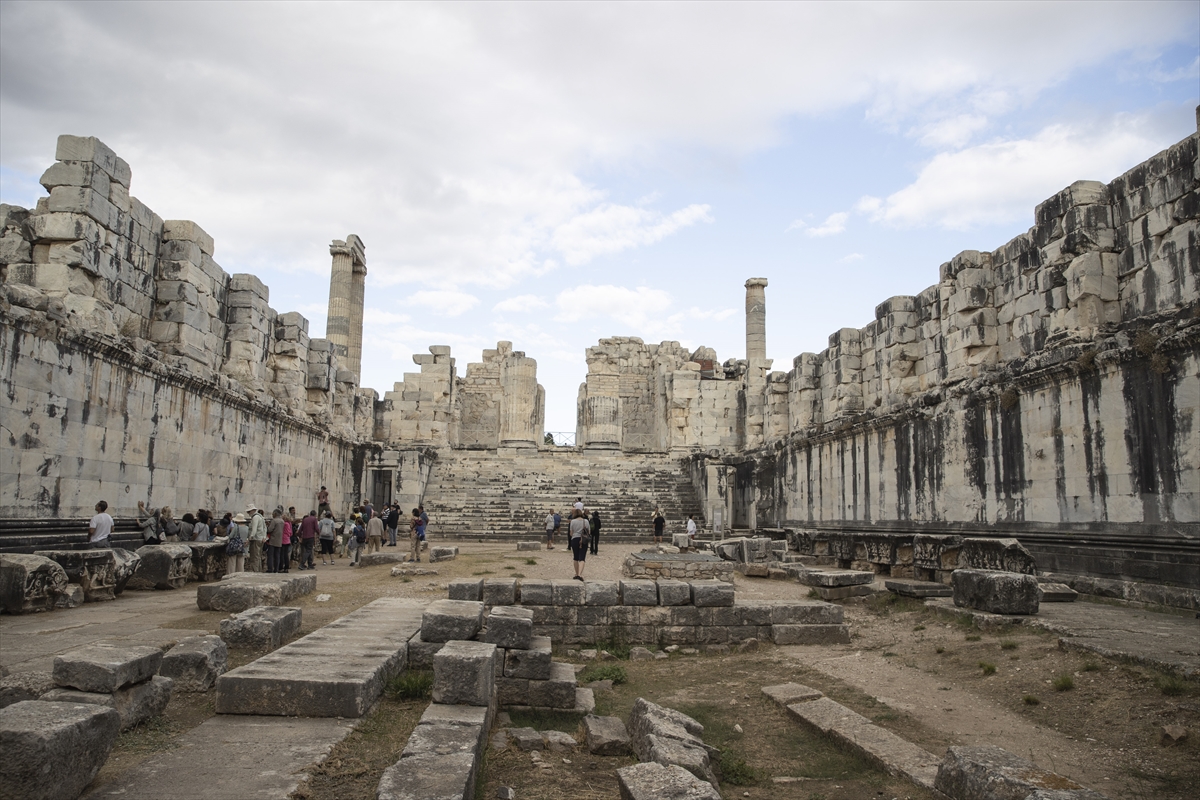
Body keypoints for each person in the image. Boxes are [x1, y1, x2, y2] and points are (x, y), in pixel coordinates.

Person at [568, 509, 589, 580]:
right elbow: (589, 532)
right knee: (582, 558)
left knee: (575, 557)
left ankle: (576, 573)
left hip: (575, 539)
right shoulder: (586, 521)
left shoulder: (572, 521)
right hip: (583, 539)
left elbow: (571, 533)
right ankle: (580, 574)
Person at [247, 506, 267, 572]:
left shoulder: (255, 517)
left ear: (252, 511)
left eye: (249, 512)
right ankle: (259, 570)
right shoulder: (261, 517)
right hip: (260, 539)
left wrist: (250, 537)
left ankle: (255, 571)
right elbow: (265, 528)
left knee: (254, 557)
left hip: (255, 539)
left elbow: (254, 529)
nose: (248, 513)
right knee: (258, 556)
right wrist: (264, 537)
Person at [266, 508, 285, 573]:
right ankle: (276, 569)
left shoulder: (274, 521)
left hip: (273, 540)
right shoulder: (282, 521)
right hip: (279, 540)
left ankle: (270, 568)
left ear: (275, 514)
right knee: (277, 555)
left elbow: (270, 530)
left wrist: (268, 526)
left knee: (270, 555)